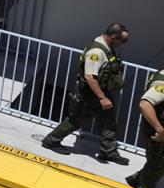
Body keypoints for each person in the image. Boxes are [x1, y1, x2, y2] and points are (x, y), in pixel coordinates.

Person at [43, 23, 131, 164]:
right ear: (114, 37)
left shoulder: (106, 48)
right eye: (123, 40)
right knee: (77, 120)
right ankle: (51, 141)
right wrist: (102, 97)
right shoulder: (96, 52)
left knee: (108, 122)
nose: (123, 44)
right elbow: (90, 77)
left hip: (100, 93)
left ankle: (108, 152)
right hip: (90, 95)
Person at [128, 66, 164, 188]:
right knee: (158, 163)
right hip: (158, 132)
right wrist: (160, 129)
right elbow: (145, 104)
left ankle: (136, 179)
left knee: (155, 160)